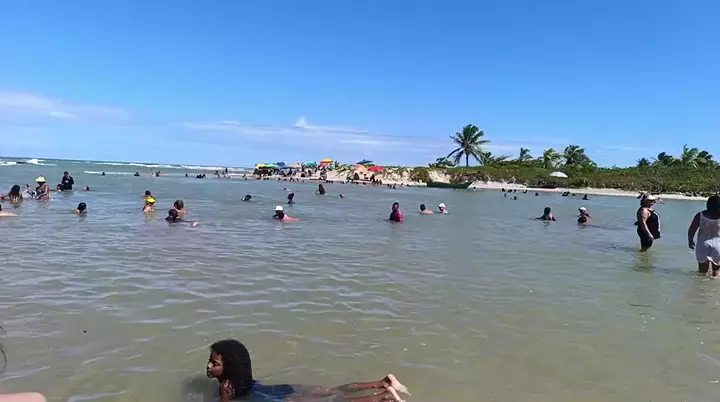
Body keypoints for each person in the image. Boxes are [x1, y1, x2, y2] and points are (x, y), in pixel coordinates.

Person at [206, 339, 408, 402]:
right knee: (332, 392)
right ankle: (383, 382)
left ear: (229, 367)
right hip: (282, 390)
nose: (209, 366)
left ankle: (384, 398)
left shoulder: (226, 387)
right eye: (210, 361)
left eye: (215, 363)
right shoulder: (242, 381)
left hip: (280, 400)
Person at [687, 195, 720, 276]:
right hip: (718, 245)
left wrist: (690, 240)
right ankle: (714, 284)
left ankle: (701, 284)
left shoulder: (700, 215)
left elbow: (692, 229)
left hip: (703, 244)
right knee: (716, 271)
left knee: (702, 272)